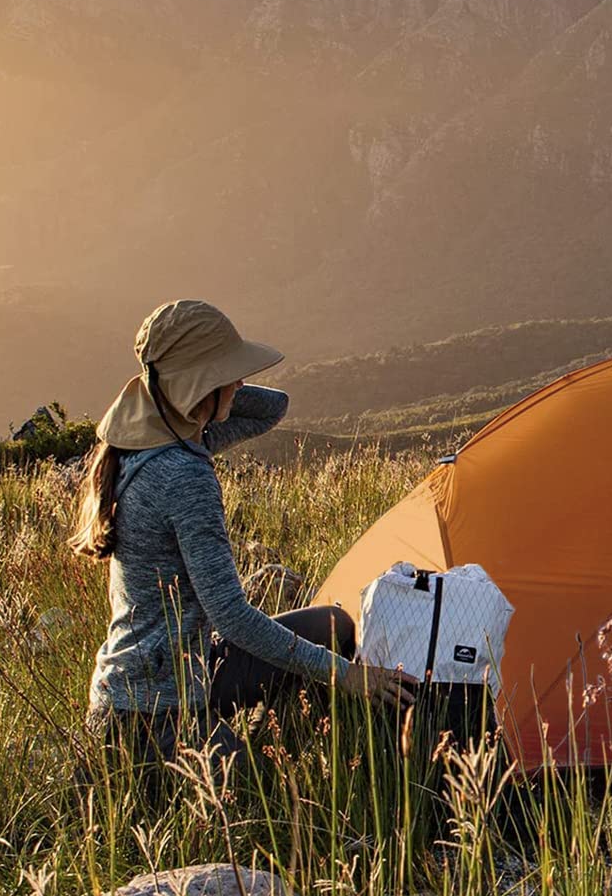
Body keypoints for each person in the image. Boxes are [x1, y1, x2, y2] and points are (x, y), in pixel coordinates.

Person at [73, 299, 417, 767]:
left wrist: (191, 387)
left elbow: (272, 409)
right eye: (227, 374)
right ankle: (268, 756)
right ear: (198, 386)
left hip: (183, 671)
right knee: (266, 803)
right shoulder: (182, 474)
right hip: (153, 711)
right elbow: (233, 618)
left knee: (330, 625)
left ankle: (265, 739)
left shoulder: (167, 437)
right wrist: (346, 676)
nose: (239, 382)